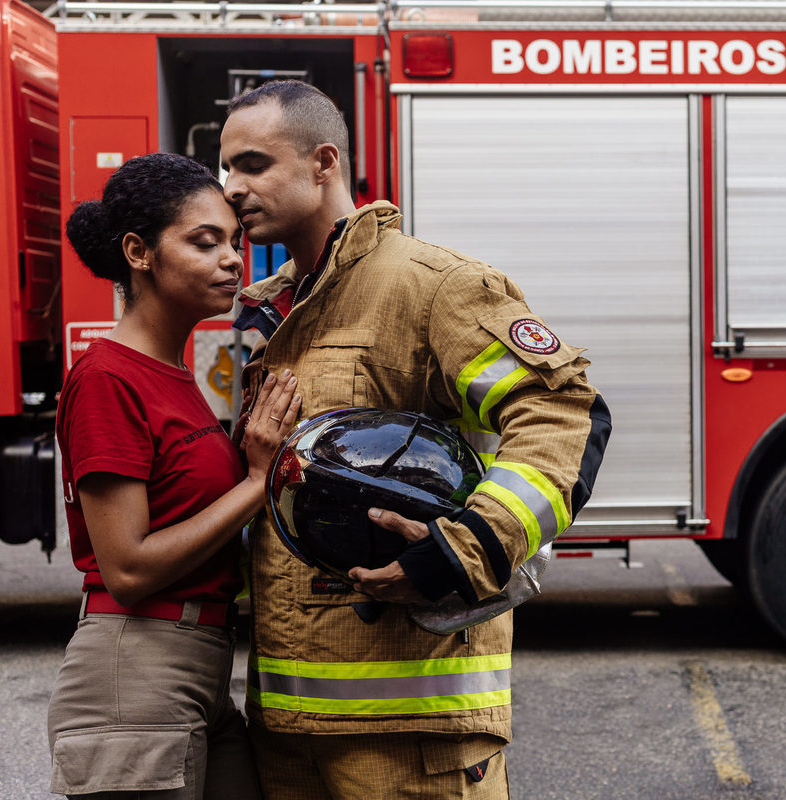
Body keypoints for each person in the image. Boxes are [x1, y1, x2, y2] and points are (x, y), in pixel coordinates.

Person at [220, 80, 611, 799]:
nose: (231, 187)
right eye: (224, 169)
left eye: (251, 165)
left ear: (322, 163)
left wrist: (457, 553)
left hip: (415, 734)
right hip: (287, 731)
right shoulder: (264, 316)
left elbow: (561, 413)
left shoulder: (433, 287)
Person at [47, 152, 302, 799]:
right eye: (204, 241)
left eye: (234, 242)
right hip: (134, 671)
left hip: (200, 667)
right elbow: (128, 569)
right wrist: (255, 482)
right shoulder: (108, 377)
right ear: (139, 252)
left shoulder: (173, 376)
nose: (232, 259)